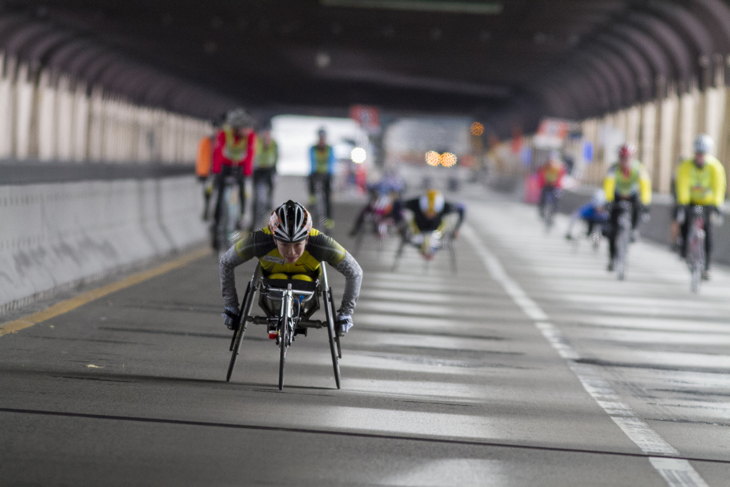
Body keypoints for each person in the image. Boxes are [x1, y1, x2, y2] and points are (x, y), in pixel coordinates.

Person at [219, 200, 362, 337]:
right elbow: (226, 262)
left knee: (301, 278)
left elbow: (355, 272)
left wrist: (345, 313)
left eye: (297, 245)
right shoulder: (259, 240)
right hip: (272, 282)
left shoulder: (321, 243)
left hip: (307, 283)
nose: (291, 252)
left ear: (307, 239)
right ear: (274, 239)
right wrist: (231, 306)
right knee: (277, 278)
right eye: (285, 245)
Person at [675, 134, 727, 280]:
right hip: (692, 201)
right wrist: (683, 203)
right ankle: (685, 249)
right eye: (697, 154)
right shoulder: (686, 166)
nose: (699, 157)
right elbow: (683, 185)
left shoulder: (715, 167)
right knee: (685, 223)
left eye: (702, 154)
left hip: (708, 203)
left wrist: (717, 204)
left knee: (708, 232)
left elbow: (719, 187)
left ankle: (707, 266)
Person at [211, 108, 256, 248]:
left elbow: (249, 154)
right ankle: (217, 225)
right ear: (237, 127)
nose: (247, 130)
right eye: (244, 128)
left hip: (240, 167)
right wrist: (217, 171)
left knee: (243, 190)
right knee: (219, 196)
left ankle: (241, 217)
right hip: (225, 166)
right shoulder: (224, 133)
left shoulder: (250, 136)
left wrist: (247, 172)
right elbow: (218, 153)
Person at [602, 143, 652, 271]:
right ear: (619, 158)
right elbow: (608, 185)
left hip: (632, 196)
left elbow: (645, 186)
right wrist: (608, 200)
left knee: (638, 208)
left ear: (632, 158)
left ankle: (634, 229)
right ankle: (612, 258)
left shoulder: (639, 169)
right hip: (617, 196)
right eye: (622, 158)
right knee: (612, 230)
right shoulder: (613, 169)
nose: (625, 161)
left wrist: (646, 202)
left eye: (627, 158)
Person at [394, 188, 465, 256]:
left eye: (433, 212)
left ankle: (431, 246)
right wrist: (400, 223)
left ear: (439, 209)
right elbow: (397, 204)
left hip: (437, 230)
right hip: (417, 229)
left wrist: (456, 229)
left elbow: (462, 208)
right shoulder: (415, 203)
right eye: (427, 212)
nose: (430, 215)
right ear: (421, 207)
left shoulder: (446, 206)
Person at [348, 168, 406, 237]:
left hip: (385, 207)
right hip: (382, 206)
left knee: (367, 210)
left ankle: (356, 228)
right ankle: (358, 228)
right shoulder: (391, 184)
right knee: (368, 210)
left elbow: (370, 188)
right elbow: (370, 188)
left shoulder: (387, 184)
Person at [250, 126, 278, 231]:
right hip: (258, 171)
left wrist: (275, 171)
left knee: (268, 199)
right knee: (257, 199)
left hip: (269, 172)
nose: (267, 135)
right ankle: (254, 223)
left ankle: (268, 221)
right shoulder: (258, 142)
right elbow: (255, 154)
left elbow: (276, 157)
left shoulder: (274, 144)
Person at [309, 127, 336, 229]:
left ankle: (329, 220)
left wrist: (329, 174)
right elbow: (312, 162)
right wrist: (313, 173)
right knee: (310, 179)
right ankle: (312, 198)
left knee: (327, 197)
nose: (322, 140)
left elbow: (332, 163)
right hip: (316, 173)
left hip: (327, 174)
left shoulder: (329, 148)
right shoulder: (313, 148)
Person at [195, 118, 219, 221]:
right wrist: (201, 173)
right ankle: (208, 210)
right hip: (210, 174)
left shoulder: (223, 142)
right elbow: (202, 158)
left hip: (220, 172)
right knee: (208, 192)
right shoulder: (207, 142)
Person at [536, 151, 566, 219]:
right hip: (546, 185)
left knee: (556, 198)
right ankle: (542, 210)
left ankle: (554, 212)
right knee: (542, 197)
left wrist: (557, 185)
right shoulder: (544, 167)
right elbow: (541, 176)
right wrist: (541, 185)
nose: (552, 162)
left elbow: (561, 177)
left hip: (555, 186)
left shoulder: (560, 168)